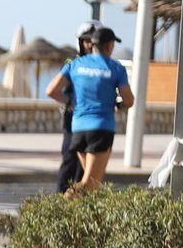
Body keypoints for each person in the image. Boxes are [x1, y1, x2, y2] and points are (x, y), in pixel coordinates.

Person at [46, 26, 134, 196]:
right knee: (90, 183)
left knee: (94, 186)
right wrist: (119, 106)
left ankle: (81, 219)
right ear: (109, 46)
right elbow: (129, 100)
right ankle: (61, 208)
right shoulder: (115, 68)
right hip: (101, 128)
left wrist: (71, 102)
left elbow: (51, 90)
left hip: (78, 128)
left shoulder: (75, 65)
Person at [54, 21, 100, 194]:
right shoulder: (72, 63)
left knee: (88, 168)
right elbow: (58, 90)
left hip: (94, 125)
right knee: (70, 161)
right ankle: (60, 200)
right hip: (73, 124)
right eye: (86, 40)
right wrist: (72, 102)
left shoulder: (103, 65)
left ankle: (80, 203)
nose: (89, 44)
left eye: (93, 40)